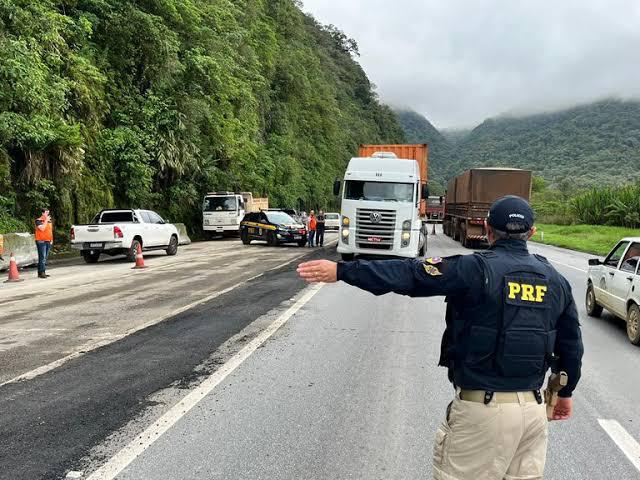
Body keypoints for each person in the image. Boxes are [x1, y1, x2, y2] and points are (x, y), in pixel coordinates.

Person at [297, 195, 583, 480]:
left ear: (486, 228)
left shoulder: (474, 269)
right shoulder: (556, 280)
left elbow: (410, 275)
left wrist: (342, 270)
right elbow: (571, 346)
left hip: (482, 413)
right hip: (532, 415)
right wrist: (565, 394)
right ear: (530, 233)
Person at [35, 207, 54, 279]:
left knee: (44, 257)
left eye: (48, 213)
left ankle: (41, 272)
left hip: (48, 240)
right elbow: (42, 228)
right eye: (46, 213)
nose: (48, 214)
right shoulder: (38, 220)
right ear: (42, 213)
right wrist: (46, 220)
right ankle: (42, 272)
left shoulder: (49, 221)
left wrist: (51, 239)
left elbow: (50, 230)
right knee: (42, 257)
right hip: (41, 241)